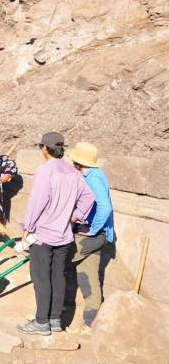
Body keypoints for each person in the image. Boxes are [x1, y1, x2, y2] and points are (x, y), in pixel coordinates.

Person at [17, 132, 95, 336]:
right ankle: (55, 320)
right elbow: (89, 196)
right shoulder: (73, 172)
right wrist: (76, 216)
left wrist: (27, 227)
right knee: (58, 276)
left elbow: (37, 201)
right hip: (64, 236)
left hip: (43, 235)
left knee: (41, 277)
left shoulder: (45, 171)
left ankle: (41, 322)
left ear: (44, 148)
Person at [66, 141, 115, 328]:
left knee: (58, 262)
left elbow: (105, 206)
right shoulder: (95, 173)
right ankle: (91, 321)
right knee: (88, 275)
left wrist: (92, 229)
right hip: (98, 235)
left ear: (78, 162)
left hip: (90, 235)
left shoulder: (92, 178)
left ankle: (53, 312)